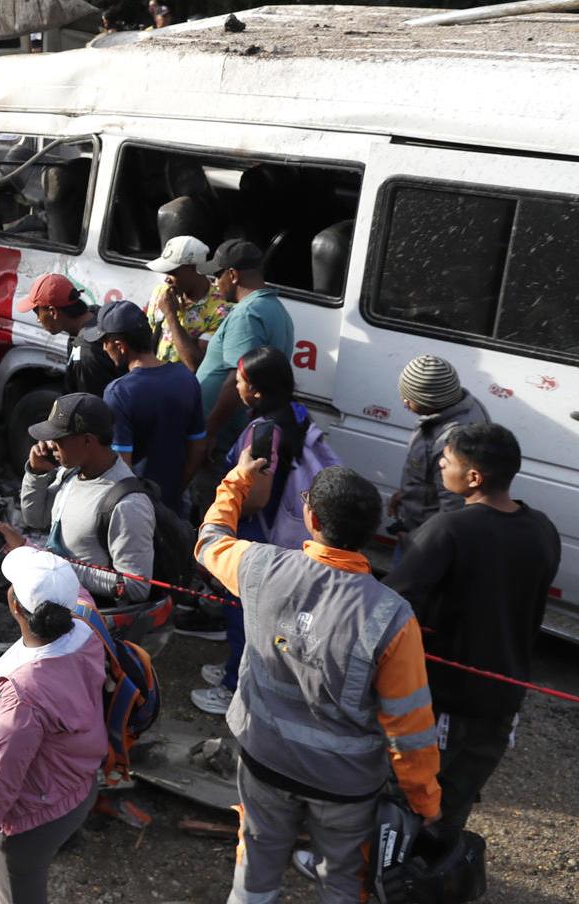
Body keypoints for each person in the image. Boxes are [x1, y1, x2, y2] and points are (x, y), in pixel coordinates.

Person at [194, 450, 440, 904]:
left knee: (256, 865)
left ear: (310, 517)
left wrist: (238, 480)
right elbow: (410, 727)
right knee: (342, 878)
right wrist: (424, 800)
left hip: (264, 760)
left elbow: (209, 540)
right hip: (344, 784)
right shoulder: (391, 617)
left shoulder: (260, 568)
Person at [385, 422, 558, 840]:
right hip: (502, 699)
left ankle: (387, 876)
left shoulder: (450, 530)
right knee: (454, 805)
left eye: (447, 461)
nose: (440, 465)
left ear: (474, 477)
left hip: (446, 700)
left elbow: (393, 604)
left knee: (408, 798)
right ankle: (434, 879)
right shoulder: (542, 529)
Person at [0, 544, 105, 904]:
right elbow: (65, 588)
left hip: (30, 814)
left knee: (15, 890)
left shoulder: (25, 697)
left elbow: (2, 779)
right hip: (73, 779)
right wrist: (21, 548)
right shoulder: (87, 621)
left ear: (15, 606)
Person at [192, 345, 343, 716]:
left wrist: (224, 511)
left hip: (257, 532)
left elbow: (257, 497)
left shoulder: (262, 432)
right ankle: (233, 668)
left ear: (255, 390)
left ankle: (235, 688)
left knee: (244, 612)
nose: (236, 385)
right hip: (284, 530)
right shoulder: (294, 412)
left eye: (239, 380)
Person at [17, 393, 156, 605]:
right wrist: (36, 474)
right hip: (60, 602)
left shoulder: (128, 505)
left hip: (90, 619)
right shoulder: (70, 472)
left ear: (88, 441)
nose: (49, 444)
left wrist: (58, 566)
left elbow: (136, 587)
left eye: (58, 439)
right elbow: (35, 519)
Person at [96, 300, 205, 515]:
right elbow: (198, 449)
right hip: (174, 506)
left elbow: (121, 468)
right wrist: (174, 491)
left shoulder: (118, 392)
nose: (103, 348)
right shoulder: (186, 378)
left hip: (137, 511)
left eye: (105, 342)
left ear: (120, 345)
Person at [194, 238, 295, 449]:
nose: (214, 283)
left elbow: (236, 381)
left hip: (223, 437)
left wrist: (209, 432)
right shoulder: (275, 308)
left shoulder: (247, 314)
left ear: (232, 275)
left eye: (217, 275)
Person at [391, 354, 489, 543]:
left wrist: (415, 541)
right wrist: (406, 494)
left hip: (425, 540)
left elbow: (453, 508)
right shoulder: (465, 407)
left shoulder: (450, 443)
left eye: (409, 398)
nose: (404, 401)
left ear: (430, 401)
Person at [13, 274, 121, 397]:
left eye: (37, 312)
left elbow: (93, 408)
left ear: (53, 312)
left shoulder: (87, 356)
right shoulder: (95, 312)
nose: (38, 319)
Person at [144, 235, 228, 371]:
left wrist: (171, 316)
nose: (167, 280)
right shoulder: (161, 292)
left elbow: (195, 365)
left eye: (172, 272)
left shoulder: (220, 311)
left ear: (194, 268)